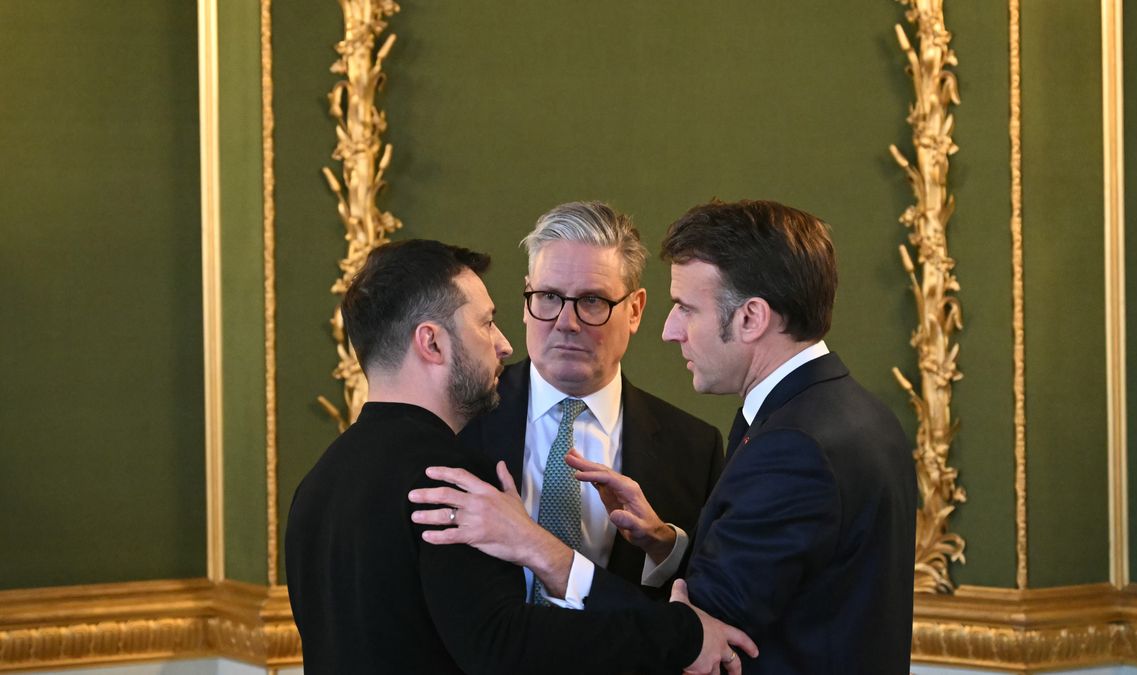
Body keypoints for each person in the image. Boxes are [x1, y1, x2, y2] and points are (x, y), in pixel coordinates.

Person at [412, 201, 918, 673]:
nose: (670, 330)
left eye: (592, 300)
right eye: (547, 297)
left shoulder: (750, 446)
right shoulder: (851, 415)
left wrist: (544, 553)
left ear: (750, 317)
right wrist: (667, 547)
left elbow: (702, 637)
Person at [284, 239, 755, 674]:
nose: (504, 343)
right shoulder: (454, 478)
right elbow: (504, 643)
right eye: (486, 323)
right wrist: (681, 635)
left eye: (592, 300)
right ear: (432, 342)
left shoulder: (317, 483)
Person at [457, 201, 724, 605]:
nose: (566, 322)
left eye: (593, 301)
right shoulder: (459, 418)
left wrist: (662, 544)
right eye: (549, 296)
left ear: (634, 310)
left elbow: (708, 595)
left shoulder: (694, 449)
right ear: (527, 298)